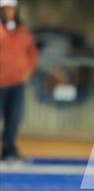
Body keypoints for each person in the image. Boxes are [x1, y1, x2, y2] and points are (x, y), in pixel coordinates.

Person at [0, 0, 37, 160]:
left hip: (17, 83)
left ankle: (9, 150)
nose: (10, 12)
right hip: (0, 83)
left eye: (12, 9)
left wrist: (28, 69)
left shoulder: (23, 31)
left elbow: (32, 52)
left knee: (14, 117)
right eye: (6, 9)